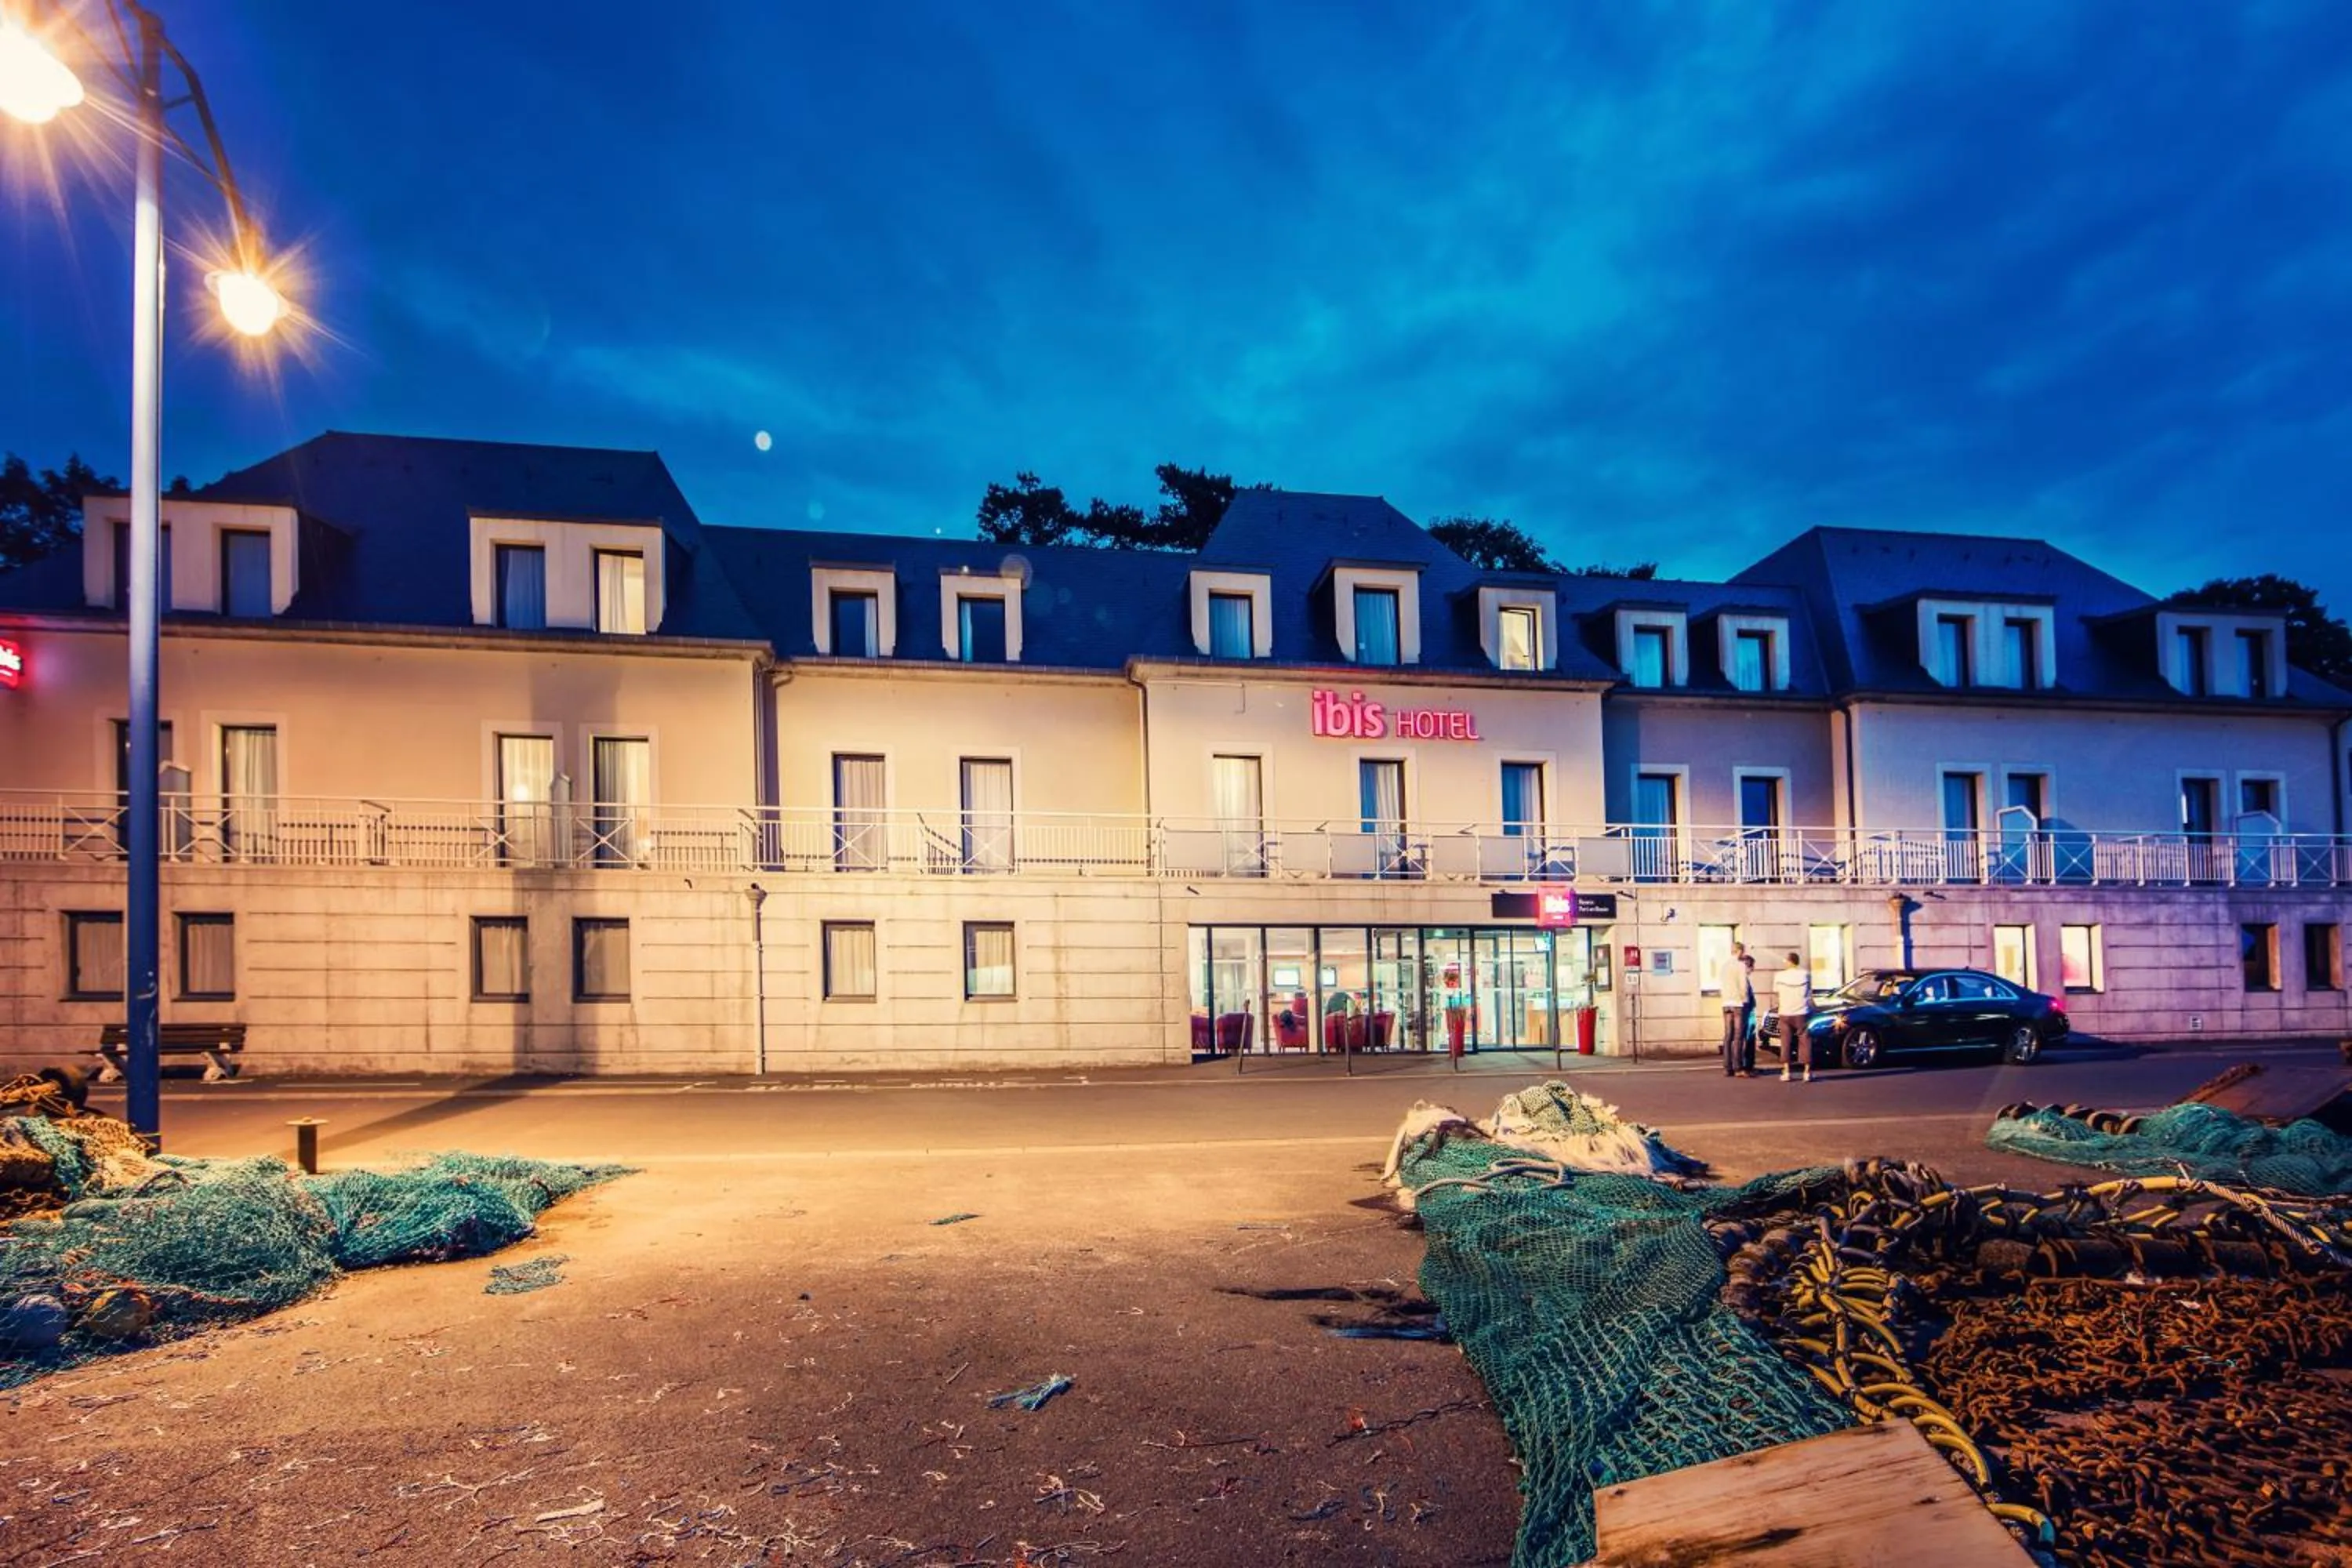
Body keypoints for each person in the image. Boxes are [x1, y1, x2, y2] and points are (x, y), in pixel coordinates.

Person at [1773, 952, 1815, 1083]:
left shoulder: (1779, 976)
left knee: (1785, 1041)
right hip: (1802, 1012)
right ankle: (1807, 1072)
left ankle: (1787, 1071)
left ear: (1788, 961)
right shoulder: (1806, 974)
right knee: (1805, 1040)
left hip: (1785, 1012)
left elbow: (1776, 993)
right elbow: (1809, 993)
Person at [1719, 942, 1754, 1078]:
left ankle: (1727, 1068)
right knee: (1738, 1036)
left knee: (1728, 1035)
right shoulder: (1740, 966)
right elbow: (1743, 985)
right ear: (1739, 951)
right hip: (1737, 1003)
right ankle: (1738, 1067)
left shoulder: (1724, 966)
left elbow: (1721, 984)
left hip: (1726, 1002)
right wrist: (1746, 1001)